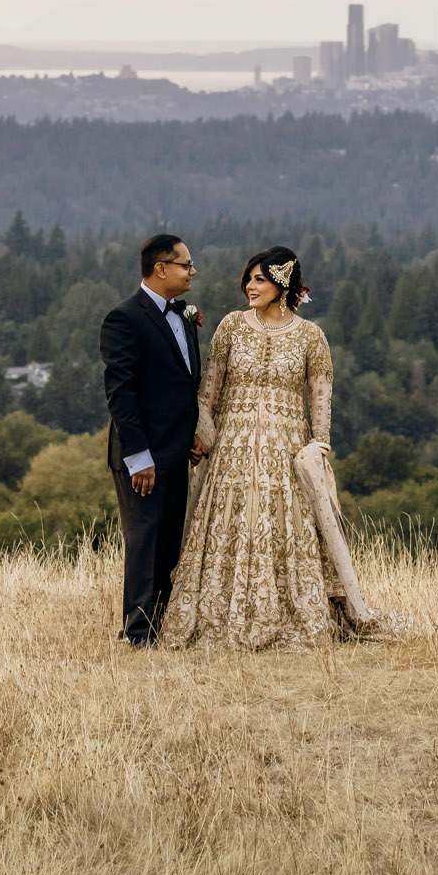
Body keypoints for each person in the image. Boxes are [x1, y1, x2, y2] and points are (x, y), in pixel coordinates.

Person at [159, 245, 386, 650]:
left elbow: (320, 403)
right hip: (232, 452)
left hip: (285, 455)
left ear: (283, 285)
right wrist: (200, 438)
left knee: (283, 531)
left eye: (259, 279)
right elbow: (207, 394)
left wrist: (318, 450)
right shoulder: (230, 326)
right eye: (248, 278)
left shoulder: (311, 337)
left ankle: (289, 617)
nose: (250, 285)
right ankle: (213, 619)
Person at [99, 233, 205, 647]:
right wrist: (139, 456)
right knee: (144, 542)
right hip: (142, 457)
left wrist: (193, 435)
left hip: (178, 452)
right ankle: (138, 633)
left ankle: (161, 625)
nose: (192, 272)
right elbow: (120, 392)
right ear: (161, 268)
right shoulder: (124, 318)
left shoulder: (185, 315)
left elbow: (183, 387)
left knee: (168, 545)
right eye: (186, 265)